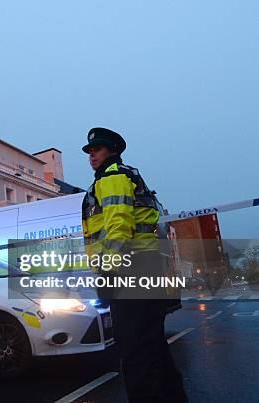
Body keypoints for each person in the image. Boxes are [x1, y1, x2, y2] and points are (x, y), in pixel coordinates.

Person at [81, 127, 187, 403]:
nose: (92, 154)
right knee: (153, 349)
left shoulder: (113, 176)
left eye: (97, 149)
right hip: (146, 269)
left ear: (112, 151)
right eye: (90, 151)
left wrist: (107, 272)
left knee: (136, 355)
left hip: (131, 271)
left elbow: (118, 229)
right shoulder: (124, 176)